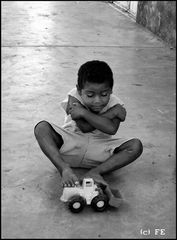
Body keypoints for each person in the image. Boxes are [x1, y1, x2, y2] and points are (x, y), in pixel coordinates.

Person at [34, 60, 143, 205]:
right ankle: (64, 169)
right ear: (79, 90)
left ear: (111, 90)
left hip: (99, 151)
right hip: (70, 144)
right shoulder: (74, 96)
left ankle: (96, 172)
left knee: (136, 145)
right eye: (90, 95)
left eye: (104, 94)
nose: (97, 101)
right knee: (41, 127)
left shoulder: (117, 103)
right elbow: (84, 127)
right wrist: (111, 114)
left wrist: (84, 112)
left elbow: (111, 129)